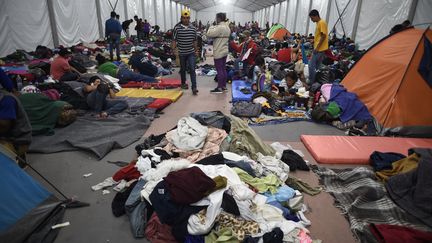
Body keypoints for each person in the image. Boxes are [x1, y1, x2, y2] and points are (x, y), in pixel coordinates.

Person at [173, 9, 199, 95]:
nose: (186, 19)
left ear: (189, 18)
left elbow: (195, 41)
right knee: (183, 69)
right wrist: (174, 50)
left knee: (192, 69)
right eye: (184, 18)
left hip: (191, 52)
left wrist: (196, 51)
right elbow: (174, 40)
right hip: (182, 53)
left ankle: (194, 87)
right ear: (181, 18)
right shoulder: (177, 28)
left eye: (187, 18)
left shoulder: (193, 28)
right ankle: (183, 83)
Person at [205, 12, 231, 94]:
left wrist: (212, 26)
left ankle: (219, 88)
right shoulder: (227, 27)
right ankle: (223, 86)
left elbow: (208, 34)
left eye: (216, 18)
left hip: (219, 50)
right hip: (225, 50)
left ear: (219, 18)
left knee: (219, 69)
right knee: (223, 69)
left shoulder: (219, 27)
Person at [308, 9, 328, 84]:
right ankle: (319, 79)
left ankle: (311, 81)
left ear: (316, 16)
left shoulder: (321, 23)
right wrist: (314, 41)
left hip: (319, 49)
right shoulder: (318, 23)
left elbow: (323, 36)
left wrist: (317, 48)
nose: (311, 20)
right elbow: (320, 35)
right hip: (320, 48)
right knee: (318, 66)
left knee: (311, 65)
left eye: (312, 18)